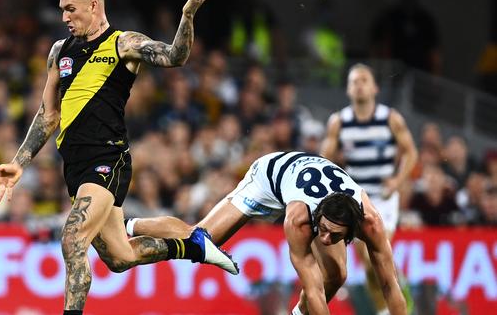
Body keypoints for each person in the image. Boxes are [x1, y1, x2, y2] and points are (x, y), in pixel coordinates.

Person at [0, 0, 238, 315]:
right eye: (62, 10)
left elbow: (175, 56)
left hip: (108, 159)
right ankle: (192, 246)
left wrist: (188, 14)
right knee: (120, 257)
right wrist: (19, 162)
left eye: (70, 9)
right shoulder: (59, 52)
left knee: (73, 239)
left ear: (93, 6)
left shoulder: (123, 43)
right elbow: (48, 115)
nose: (64, 17)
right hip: (74, 167)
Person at [126, 151, 408, 315]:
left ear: (352, 232)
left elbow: (390, 285)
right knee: (200, 239)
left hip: (310, 178)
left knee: (338, 276)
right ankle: (128, 223)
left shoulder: (371, 222)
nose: (325, 240)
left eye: (335, 237)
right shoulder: (299, 220)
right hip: (268, 178)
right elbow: (313, 288)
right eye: (322, 231)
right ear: (317, 217)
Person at [321, 63, 418, 315]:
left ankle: (403, 303)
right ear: (348, 89)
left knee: (377, 255)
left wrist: (397, 181)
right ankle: (386, 310)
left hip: (384, 199)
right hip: (357, 199)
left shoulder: (390, 118)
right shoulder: (339, 122)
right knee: (367, 264)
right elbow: (324, 160)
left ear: (374, 87)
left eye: (364, 80)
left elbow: (410, 152)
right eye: (354, 81)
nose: (359, 85)